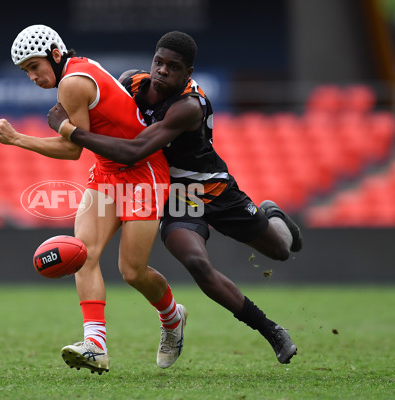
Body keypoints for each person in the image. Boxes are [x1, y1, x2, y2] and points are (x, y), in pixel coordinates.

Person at [48, 31, 300, 364]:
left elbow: (134, 149)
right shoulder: (131, 84)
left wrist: (71, 131)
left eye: (174, 67)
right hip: (175, 193)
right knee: (195, 262)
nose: (163, 71)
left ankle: (274, 216)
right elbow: (92, 98)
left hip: (212, 187)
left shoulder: (188, 106)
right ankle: (271, 331)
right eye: (159, 62)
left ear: (188, 74)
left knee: (280, 250)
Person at [0, 25, 188, 374]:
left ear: (55, 54)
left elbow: (71, 148)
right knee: (84, 252)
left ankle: (172, 318)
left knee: (132, 271)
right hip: (108, 173)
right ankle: (95, 344)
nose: (32, 76)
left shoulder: (72, 83)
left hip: (144, 174)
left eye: (34, 67)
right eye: (26, 72)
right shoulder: (72, 73)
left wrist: (17, 139)